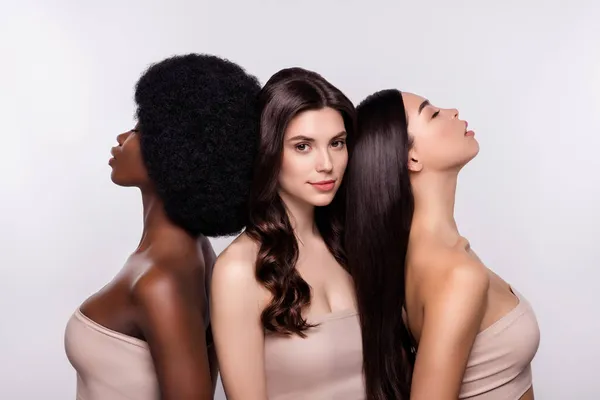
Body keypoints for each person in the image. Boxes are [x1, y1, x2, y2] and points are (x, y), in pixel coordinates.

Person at [63, 53, 261, 400]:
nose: (123, 136)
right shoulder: (193, 253)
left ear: (177, 152)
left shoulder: (162, 280)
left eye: (140, 129)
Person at [345, 89, 540, 400]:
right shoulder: (455, 274)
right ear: (412, 157)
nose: (452, 111)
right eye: (432, 113)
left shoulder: (426, 256)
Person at [210, 67, 364, 399]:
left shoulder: (352, 243)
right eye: (303, 146)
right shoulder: (240, 270)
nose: (327, 163)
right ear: (269, 151)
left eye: (337, 143)